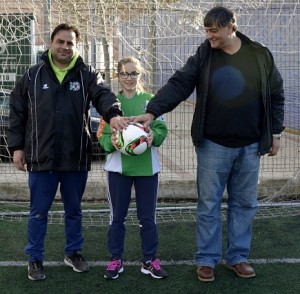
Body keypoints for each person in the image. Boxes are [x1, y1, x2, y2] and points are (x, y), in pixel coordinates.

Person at [132, 6, 285, 282]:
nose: (209, 36)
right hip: (213, 145)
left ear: (231, 27)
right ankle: (206, 260)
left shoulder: (259, 54)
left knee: (245, 203)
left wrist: (275, 133)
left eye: (214, 31)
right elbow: (180, 83)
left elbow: (276, 94)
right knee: (209, 204)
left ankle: (238, 257)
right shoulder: (204, 55)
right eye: (206, 31)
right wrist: (153, 110)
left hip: (251, 146)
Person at [7, 23, 127, 281]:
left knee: (74, 210)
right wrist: (17, 148)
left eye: (70, 43)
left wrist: (114, 113)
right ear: (51, 43)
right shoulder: (33, 75)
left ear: (76, 46)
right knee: (38, 211)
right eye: (60, 41)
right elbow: (17, 112)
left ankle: (73, 252)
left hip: (76, 156)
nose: (65, 47)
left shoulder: (86, 74)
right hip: (41, 156)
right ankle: (35, 258)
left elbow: (104, 95)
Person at [97, 56, 168, 280]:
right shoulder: (110, 104)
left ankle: (149, 260)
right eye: (125, 73)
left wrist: (151, 135)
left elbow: (161, 130)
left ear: (141, 75)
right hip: (118, 169)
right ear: (117, 75)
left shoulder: (151, 101)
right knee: (117, 217)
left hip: (147, 169)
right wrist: (114, 142)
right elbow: (102, 135)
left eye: (134, 73)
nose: (129, 78)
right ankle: (116, 259)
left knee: (147, 218)